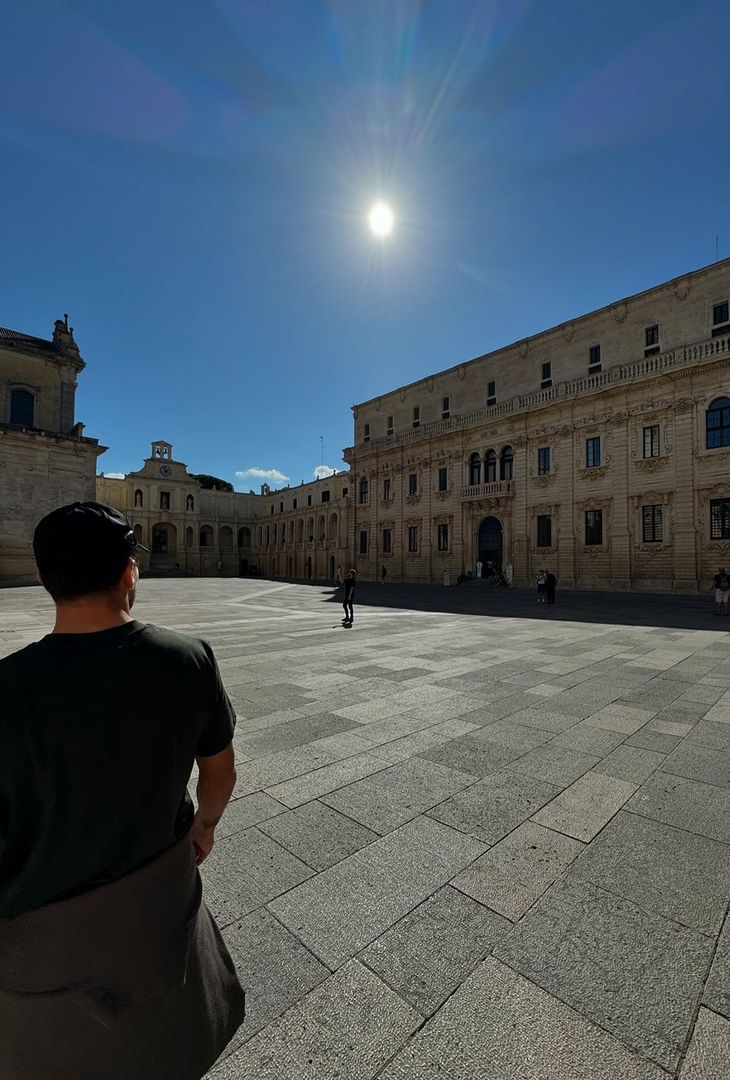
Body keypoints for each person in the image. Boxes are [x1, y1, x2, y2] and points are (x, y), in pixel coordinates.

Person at [0, 502, 245, 1080]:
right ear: (131, 572)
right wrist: (204, 826)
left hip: (37, 925)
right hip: (154, 895)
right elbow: (220, 772)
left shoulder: (7, 688)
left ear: (43, 579)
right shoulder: (187, 659)